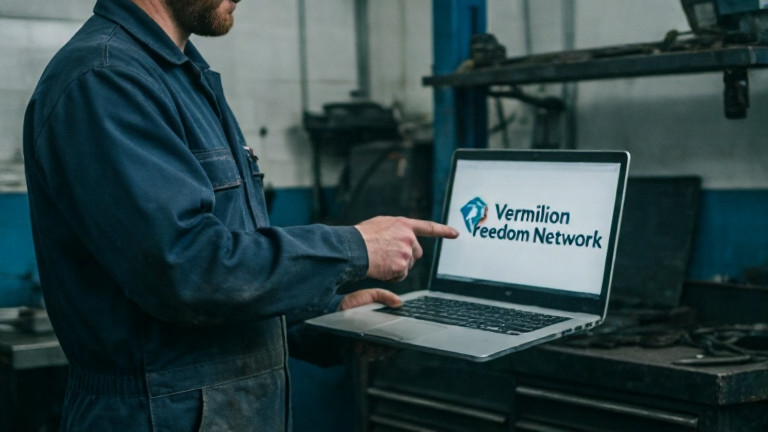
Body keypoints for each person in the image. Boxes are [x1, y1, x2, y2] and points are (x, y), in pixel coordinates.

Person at [22, 0, 459, 430]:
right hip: (159, 414)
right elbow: (187, 269)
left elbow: (223, 279)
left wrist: (325, 315)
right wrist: (355, 246)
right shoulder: (106, 78)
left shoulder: (181, 77)